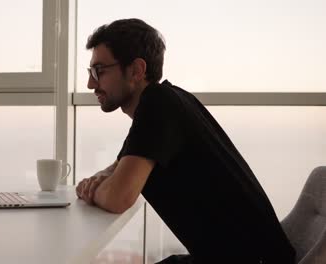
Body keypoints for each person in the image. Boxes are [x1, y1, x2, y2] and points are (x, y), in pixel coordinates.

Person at [75, 18, 296, 264]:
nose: (91, 83)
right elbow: (120, 165)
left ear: (136, 70)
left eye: (100, 71)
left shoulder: (158, 105)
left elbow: (119, 197)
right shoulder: (169, 99)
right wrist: (102, 180)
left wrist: (93, 192)